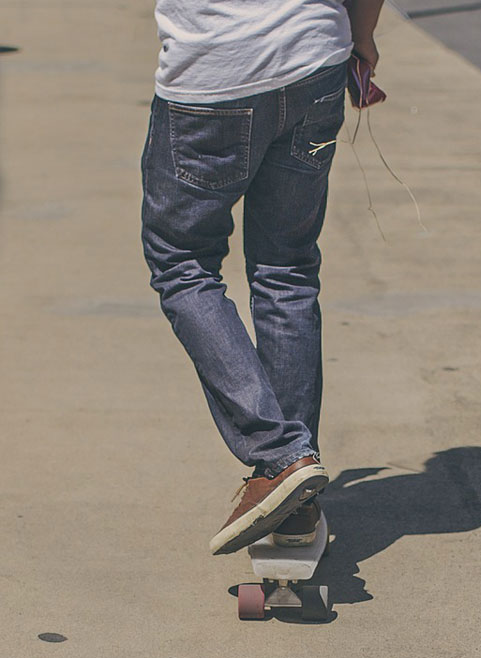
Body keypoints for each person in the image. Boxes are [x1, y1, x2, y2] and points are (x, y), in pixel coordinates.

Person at [140, 0, 386, 555]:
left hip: (213, 77)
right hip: (314, 64)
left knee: (182, 265)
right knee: (287, 269)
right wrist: (363, 39)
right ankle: (295, 500)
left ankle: (280, 457)